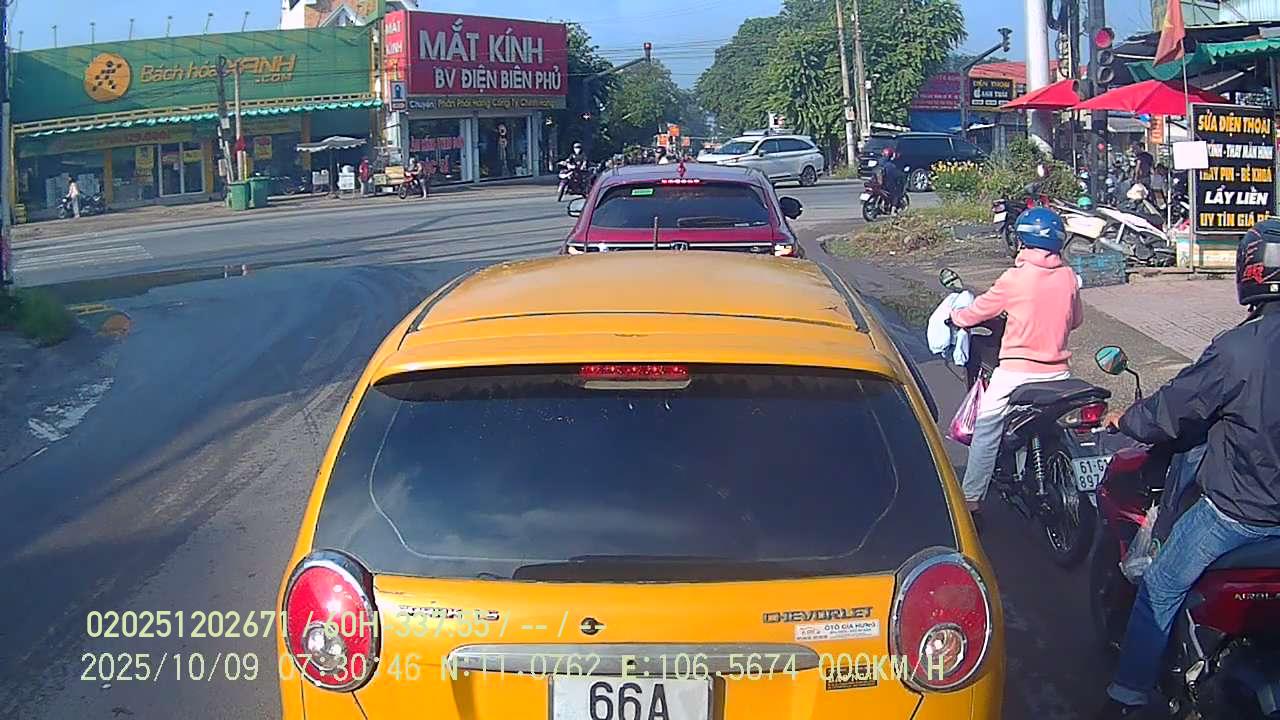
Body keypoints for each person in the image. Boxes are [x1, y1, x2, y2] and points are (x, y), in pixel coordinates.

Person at [1093, 220, 1280, 719]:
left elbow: (1172, 409)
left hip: (1240, 515)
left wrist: (1125, 419)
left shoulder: (1238, 349)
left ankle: (1128, 696)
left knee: (1160, 586)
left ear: (1251, 271)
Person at [949, 207, 1084, 518]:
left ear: (1022, 241)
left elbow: (977, 312)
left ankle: (971, 498)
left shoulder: (1014, 278)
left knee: (986, 427)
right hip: (1059, 375)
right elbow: (1076, 320)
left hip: (1016, 373)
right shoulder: (1068, 277)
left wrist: (956, 317)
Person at [873, 147, 906, 213]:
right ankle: (893, 210)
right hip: (887, 185)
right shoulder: (890, 165)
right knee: (896, 194)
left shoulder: (879, 162)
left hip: (877, 183)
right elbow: (896, 175)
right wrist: (902, 175)